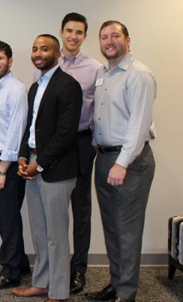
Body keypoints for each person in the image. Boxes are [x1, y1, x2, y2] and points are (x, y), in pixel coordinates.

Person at [85, 21, 156, 302]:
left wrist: (122, 163)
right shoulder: (104, 72)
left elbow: (139, 125)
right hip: (104, 157)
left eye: (115, 36)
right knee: (112, 227)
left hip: (130, 161)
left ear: (128, 40)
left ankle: (126, 294)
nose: (109, 41)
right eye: (104, 37)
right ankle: (116, 285)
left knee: (127, 229)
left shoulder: (139, 75)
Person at [12, 34, 82, 302]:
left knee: (56, 236)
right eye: (35, 49)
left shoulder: (68, 86)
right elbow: (30, 128)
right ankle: (41, 283)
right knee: (40, 232)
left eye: (44, 49)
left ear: (57, 53)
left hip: (56, 170)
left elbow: (65, 134)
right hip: (32, 163)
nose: (38, 53)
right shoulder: (35, 86)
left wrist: (38, 165)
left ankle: (59, 291)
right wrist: (22, 157)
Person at [55, 12, 102, 294]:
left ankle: (78, 270)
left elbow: (100, 107)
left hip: (82, 143)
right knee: (54, 209)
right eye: (69, 30)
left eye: (79, 32)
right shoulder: (47, 63)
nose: (73, 36)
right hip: (54, 147)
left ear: (85, 36)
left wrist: (94, 142)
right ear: (61, 31)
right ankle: (57, 267)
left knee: (80, 209)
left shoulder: (94, 68)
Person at [0, 41, 31, 290]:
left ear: (10, 61)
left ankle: (10, 272)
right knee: (3, 217)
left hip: (5, 164)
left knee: (8, 219)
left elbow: (16, 132)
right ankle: (20, 263)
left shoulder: (15, 89)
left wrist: (2, 169)